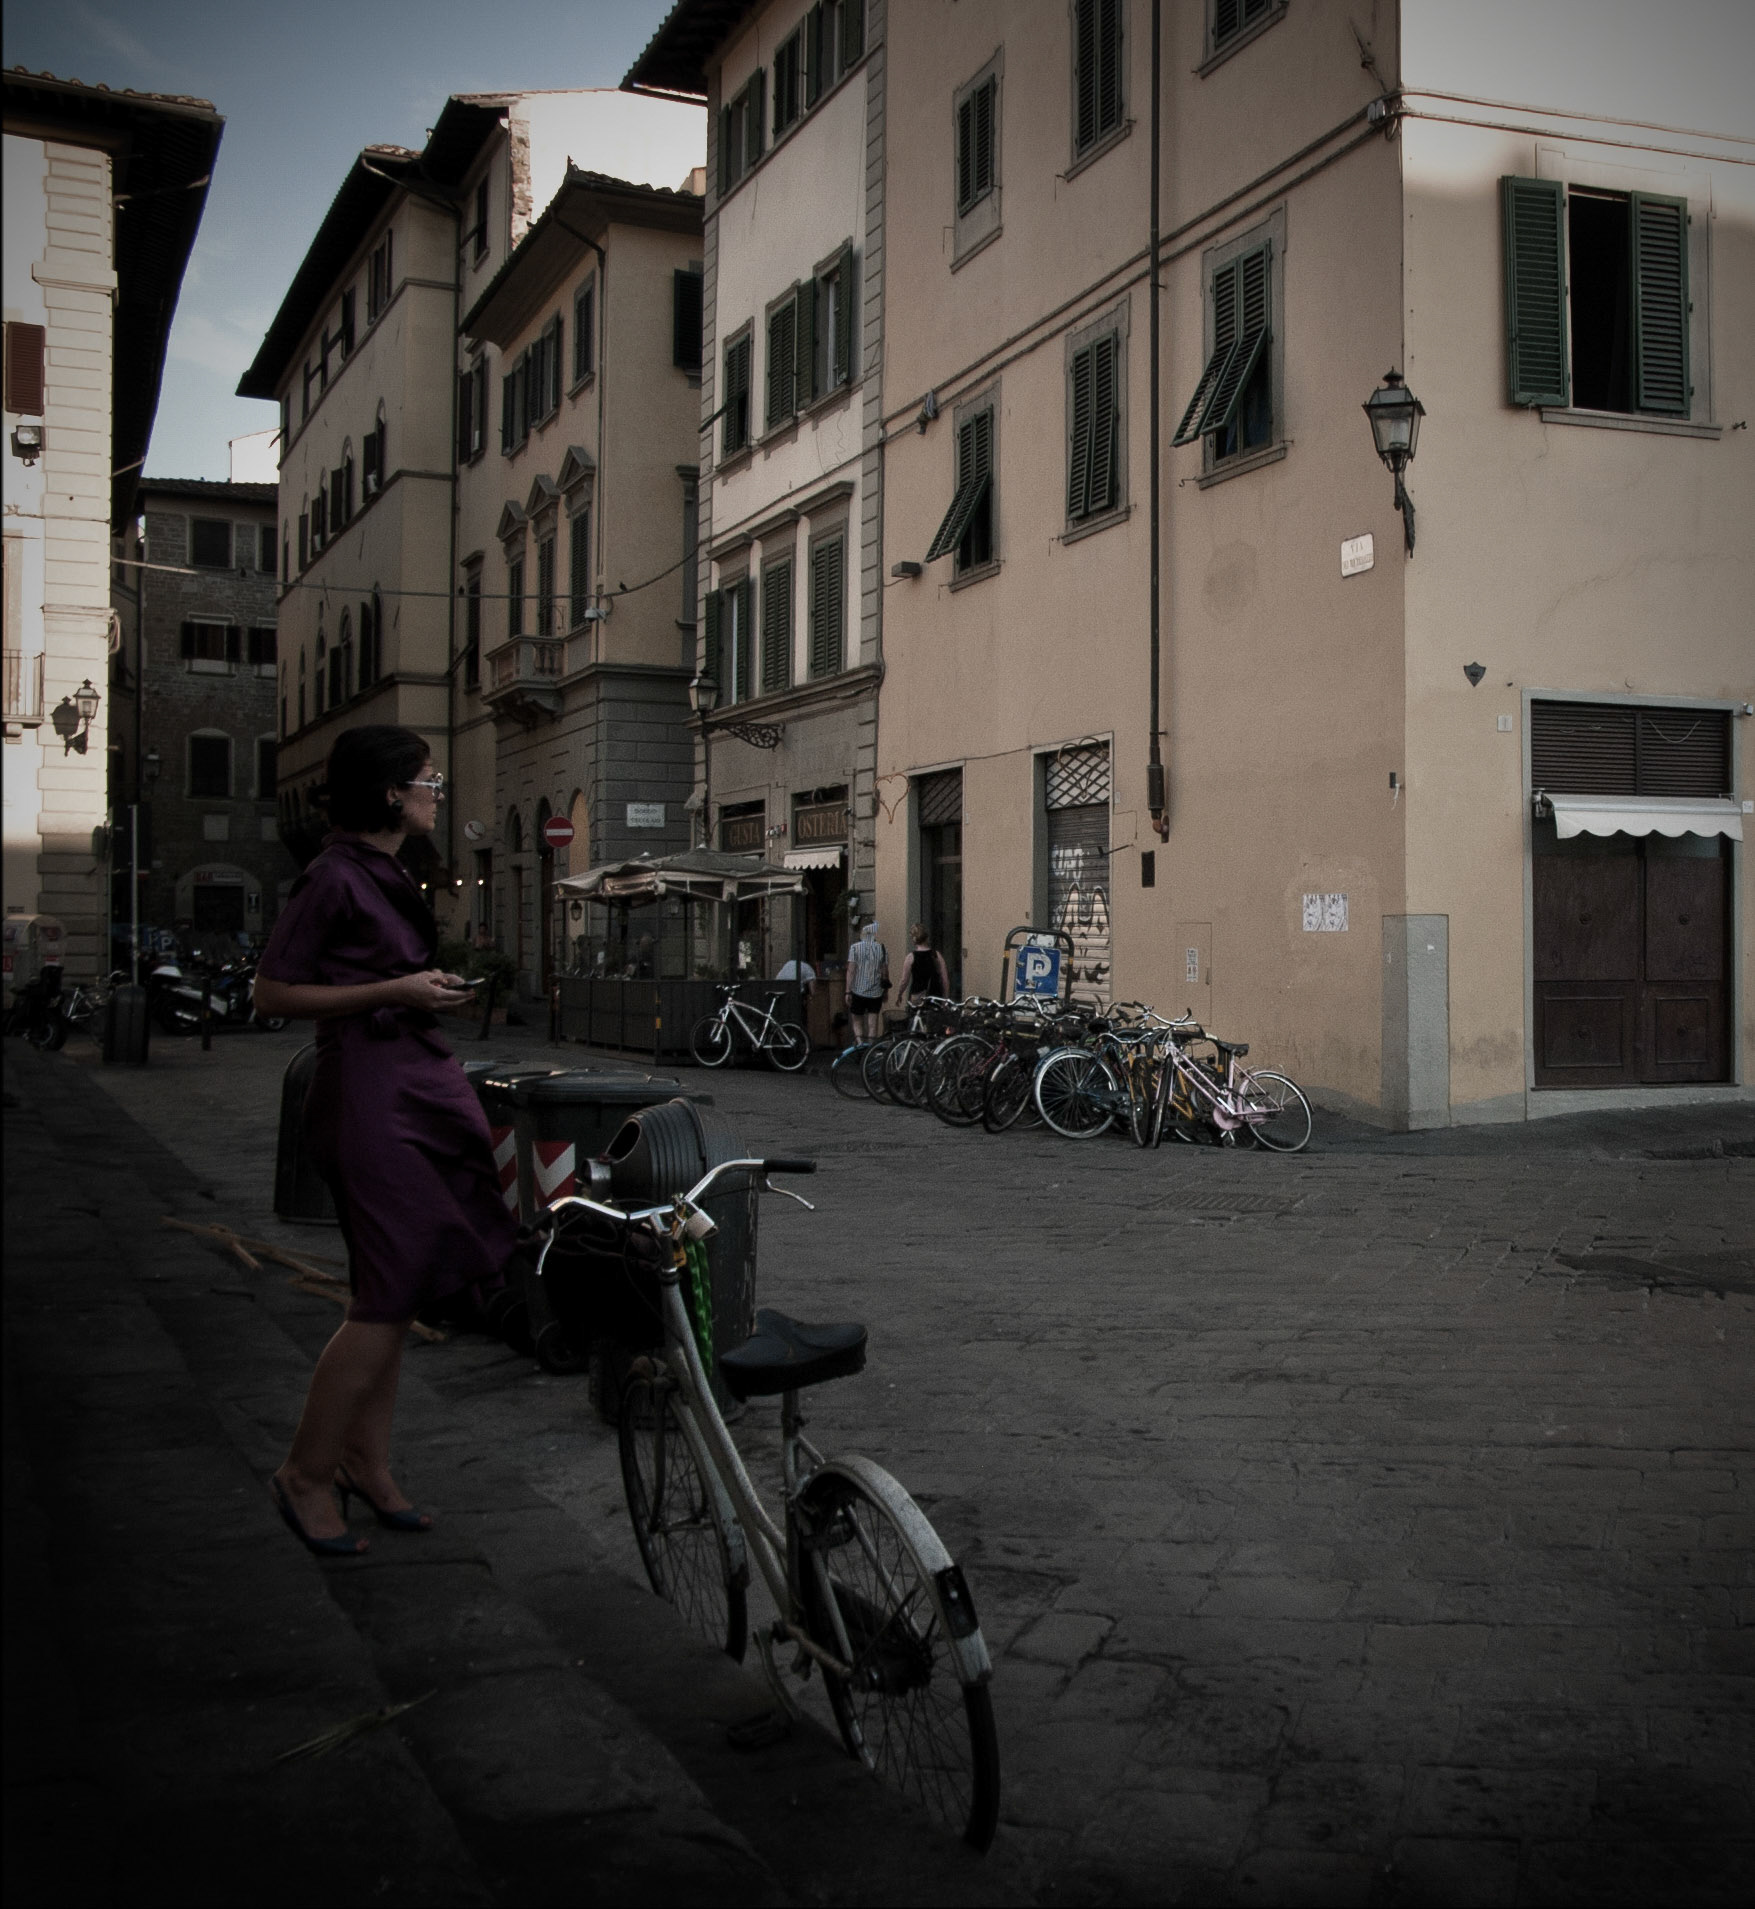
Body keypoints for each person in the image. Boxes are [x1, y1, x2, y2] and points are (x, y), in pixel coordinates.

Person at [253, 726, 517, 1557]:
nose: (438, 791)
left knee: (392, 1287)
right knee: (388, 1290)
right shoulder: (333, 875)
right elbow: (270, 991)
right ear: (392, 793)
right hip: (369, 1094)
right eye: (427, 780)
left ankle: (364, 1462)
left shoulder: (386, 869)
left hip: (406, 1082)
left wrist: (414, 989)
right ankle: (304, 1472)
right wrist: (396, 988)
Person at [843, 920, 888, 1043]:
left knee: (857, 1021)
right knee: (872, 1024)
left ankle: (860, 1045)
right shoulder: (882, 949)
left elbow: (851, 971)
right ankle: (871, 1049)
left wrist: (847, 991)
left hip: (858, 990)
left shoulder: (855, 948)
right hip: (876, 992)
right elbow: (885, 971)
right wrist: (885, 991)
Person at [893, 924, 950, 1008]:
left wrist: (899, 994)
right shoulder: (936, 955)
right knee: (934, 1015)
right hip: (935, 995)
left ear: (914, 940)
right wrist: (945, 999)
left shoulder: (910, 957)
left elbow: (904, 980)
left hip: (917, 995)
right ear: (927, 937)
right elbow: (945, 980)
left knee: (915, 1015)